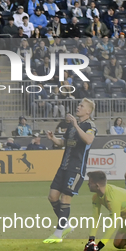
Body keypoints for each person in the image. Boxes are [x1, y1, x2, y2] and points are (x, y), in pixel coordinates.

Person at [43, 99, 97, 243]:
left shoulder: (90, 125)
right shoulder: (73, 126)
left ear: (88, 111)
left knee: (65, 198)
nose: (78, 107)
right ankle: (65, 224)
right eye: (78, 105)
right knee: (52, 196)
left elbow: (88, 140)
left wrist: (75, 125)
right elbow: (63, 143)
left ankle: (58, 233)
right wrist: (53, 138)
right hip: (64, 166)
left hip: (76, 168)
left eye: (81, 106)